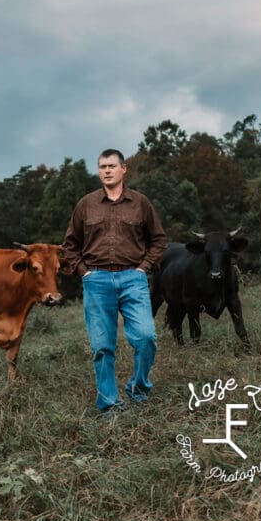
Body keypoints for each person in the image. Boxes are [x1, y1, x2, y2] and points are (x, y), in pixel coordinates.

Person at [62, 149, 167, 418]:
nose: (106, 171)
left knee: (146, 337)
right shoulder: (86, 204)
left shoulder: (140, 203)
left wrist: (143, 269)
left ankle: (139, 388)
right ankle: (109, 402)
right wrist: (84, 272)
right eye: (101, 167)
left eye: (111, 166)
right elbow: (70, 245)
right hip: (96, 280)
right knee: (102, 346)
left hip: (133, 279)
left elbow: (158, 240)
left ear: (124, 169)